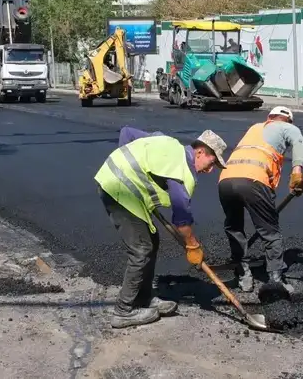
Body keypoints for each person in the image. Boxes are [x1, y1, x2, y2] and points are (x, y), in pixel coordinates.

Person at [94, 126, 228, 329]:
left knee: (151, 241)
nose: (210, 170)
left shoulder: (166, 142)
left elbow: (127, 133)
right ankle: (123, 311)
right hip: (118, 190)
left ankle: (144, 298)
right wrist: (192, 246)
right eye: (211, 163)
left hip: (118, 183)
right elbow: (182, 219)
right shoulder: (182, 172)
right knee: (141, 249)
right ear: (200, 151)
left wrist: (130, 169)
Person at [217, 106, 303, 293]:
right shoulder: (287, 127)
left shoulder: (255, 128)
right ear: (288, 120)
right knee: (269, 231)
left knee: (234, 227)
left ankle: (243, 274)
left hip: (225, 180)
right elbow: (298, 142)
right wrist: (297, 172)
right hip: (254, 179)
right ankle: (276, 279)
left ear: (269, 117)